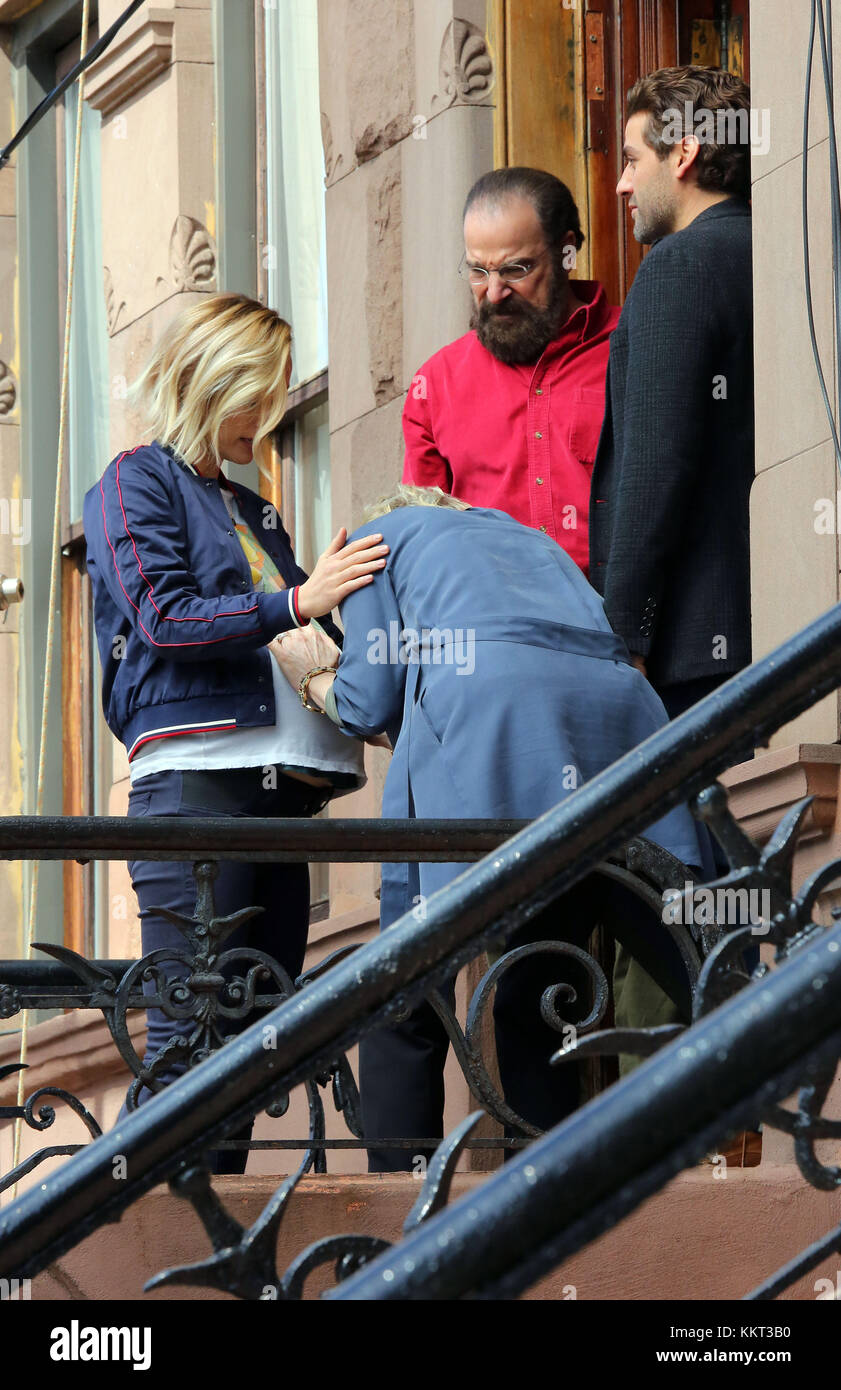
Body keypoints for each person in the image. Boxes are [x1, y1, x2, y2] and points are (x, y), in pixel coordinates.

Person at [272, 484, 711, 1171]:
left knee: (408, 978)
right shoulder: (528, 540)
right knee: (556, 959)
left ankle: (399, 1206)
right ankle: (555, 1176)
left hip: (495, 714)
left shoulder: (376, 541)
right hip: (619, 714)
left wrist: (313, 675)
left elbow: (367, 701)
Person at [83, 292, 389, 1173]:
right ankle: (139, 1246)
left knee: (251, 1044)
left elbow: (302, 636)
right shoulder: (136, 479)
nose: (277, 407)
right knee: (188, 1043)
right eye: (264, 389)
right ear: (216, 382)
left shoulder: (254, 510)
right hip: (194, 787)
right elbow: (165, 617)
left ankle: (211, 1259)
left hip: (282, 800)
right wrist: (301, 597)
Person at [588, 66, 755, 1054]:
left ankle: (717, 1121)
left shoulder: (682, 271)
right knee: (750, 882)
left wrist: (620, 641)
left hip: (692, 655)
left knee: (696, 900)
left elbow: (652, 469)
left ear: (684, 155)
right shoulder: (781, 254)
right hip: (767, 628)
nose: (618, 184)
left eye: (633, 157)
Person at [402, 168, 620, 576]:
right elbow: (422, 543)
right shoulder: (434, 385)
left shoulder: (632, 346)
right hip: (492, 628)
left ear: (566, 253)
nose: (495, 293)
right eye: (478, 272)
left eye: (515, 270)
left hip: (620, 625)